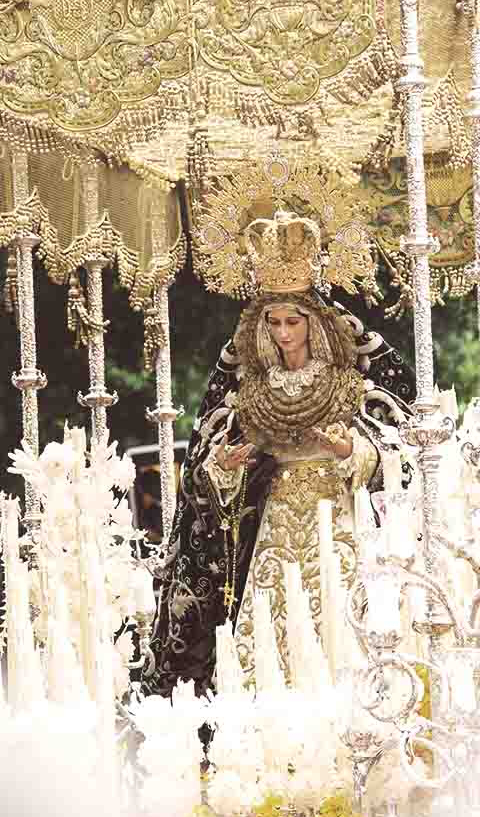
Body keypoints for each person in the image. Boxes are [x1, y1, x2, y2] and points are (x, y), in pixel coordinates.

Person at [145, 211, 413, 695]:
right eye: (274, 322)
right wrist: (226, 470)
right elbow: (208, 467)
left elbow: (403, 451)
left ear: (316, 323)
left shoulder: (350, 382)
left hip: (340, 525)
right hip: (272, 531)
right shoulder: (248, 389)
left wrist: (351, 449)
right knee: (267, 639)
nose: (284, 333)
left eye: (294, 321)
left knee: (341, 630)